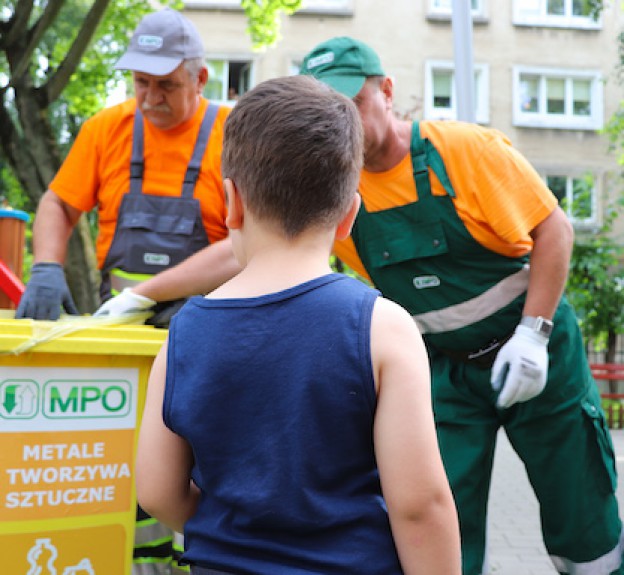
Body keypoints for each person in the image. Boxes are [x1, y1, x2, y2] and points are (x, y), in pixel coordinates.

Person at [113, 37, 624, 575]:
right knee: (449, 504)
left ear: (386, 90)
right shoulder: (351, 231)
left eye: (352, 102)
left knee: (579, 507)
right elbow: (422, 507)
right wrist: (143, 291)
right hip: (445, 366)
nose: (346, 123)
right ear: (349, 216)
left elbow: (555, 229)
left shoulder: (467, 150)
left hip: (532, 351)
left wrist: (534, 332)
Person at [136, 74, 461, 575]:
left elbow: (156, 491)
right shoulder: (382, 327)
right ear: (351, 212)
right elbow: (420, 506)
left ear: (232, 203)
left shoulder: (183, 336)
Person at [15, 8, 239, 574]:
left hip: (213, 339)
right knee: (136, 466)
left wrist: (153, 293)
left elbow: (245, 244)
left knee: (207, 465)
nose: (151, 98)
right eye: (141, 82)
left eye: (167, 85)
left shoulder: (234, 136)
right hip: (128, 341)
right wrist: (45, 267)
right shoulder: (106, 130)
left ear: (201, 79)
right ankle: (143, 565)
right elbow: (58, 203)